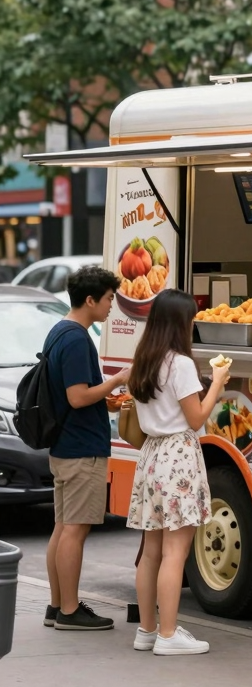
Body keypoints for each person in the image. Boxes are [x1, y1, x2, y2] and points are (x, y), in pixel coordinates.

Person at [125, 289, 230, 655]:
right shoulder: (181, 365)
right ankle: (169, 636)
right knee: (175, 552)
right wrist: (217, 381)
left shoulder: (143, 359)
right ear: (180, 324)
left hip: (151, 457)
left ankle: (147, 630)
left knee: (151, 552)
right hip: (178, 457)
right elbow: (197, 417)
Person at [45, 266, 130, 631]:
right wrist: (117, 379)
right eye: (109, 298)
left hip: (63, 445)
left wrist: (105, 401)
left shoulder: (58, 332)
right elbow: (77, 396)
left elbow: (75, 395)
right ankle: (69, 610)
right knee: (74, 532)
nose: (112, 305)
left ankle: (55, 605)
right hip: (82, 449)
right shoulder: (78, 339)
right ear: (91, 300)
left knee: (62, 528)